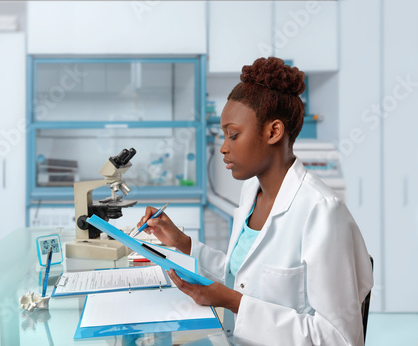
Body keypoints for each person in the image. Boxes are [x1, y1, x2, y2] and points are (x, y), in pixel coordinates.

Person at [137, 57, 374, 345]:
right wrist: (181, 243)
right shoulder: (252, 192)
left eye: (233, 135)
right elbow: (242, 274)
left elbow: (341, 338)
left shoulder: (321, 210)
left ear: (273, 132)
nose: (224, 147)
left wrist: (234, 302)